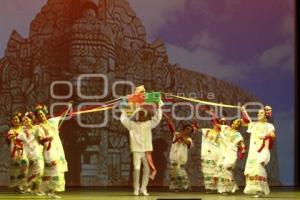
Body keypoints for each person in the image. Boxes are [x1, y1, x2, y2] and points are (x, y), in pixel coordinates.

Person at [120, 101, 163, 196]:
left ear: (146, 116)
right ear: (136, 115)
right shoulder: (131, 125)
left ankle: (143, 189)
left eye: (142, 114)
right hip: (136, 150)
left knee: (147, 170)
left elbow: (157, 118)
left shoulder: (148, 124)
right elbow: (123, 119)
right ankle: (136, 189)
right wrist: (123, 110)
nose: (140, 115)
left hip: (146, 151)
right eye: (139, 114)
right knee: (136, 169)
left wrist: (158, 107)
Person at [35, 104, 69, 199]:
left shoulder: (52, 121)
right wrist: (47, 138)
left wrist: (69, 105)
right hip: (48, 150)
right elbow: (40, 140)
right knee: (51, 171)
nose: (40, 116)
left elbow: (62, 114)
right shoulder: (39, 128)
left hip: (57, 149)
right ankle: (42, 190)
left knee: (57, 171)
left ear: (45, 113)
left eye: (41, 114)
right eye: (38, 115)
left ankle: (50, 192)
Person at [241, 107, 276, 198]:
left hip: (263, 148)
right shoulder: (254, 124)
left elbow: (273, 134)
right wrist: (243, 111)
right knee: (253, 168)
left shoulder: (269, 125)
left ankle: (260, 190)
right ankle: (257, 189)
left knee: (259, 166)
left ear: (266, 115)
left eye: (261, 113)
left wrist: (265, 135)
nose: (258, 114)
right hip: (253, 150)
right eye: (258, 113)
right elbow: (245, 122)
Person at [164, 114, 194, 191]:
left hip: (182, 158)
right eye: (187, 129)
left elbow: (188, 143)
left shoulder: (189, 139)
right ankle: (176, 187)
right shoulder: (176, 134)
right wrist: (168, 120)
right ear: (184, 129)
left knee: (181, 173)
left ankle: (185, 186)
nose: (188, 131)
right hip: (174, 156)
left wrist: (182, 138)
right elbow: (171, 129)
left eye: (190, 130)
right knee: (174, 173)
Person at [17, 112, 44, 195]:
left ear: (31, 120)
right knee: (27, 169)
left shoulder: (37, 128)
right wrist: (19, 146)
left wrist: (47, 139)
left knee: (39, 169)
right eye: (24, 120)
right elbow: (17, 141)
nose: (25, 121)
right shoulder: (22, 131)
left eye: (27, 119)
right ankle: (24, 187)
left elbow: (41, 139)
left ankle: (35, 188)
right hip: (26, 152)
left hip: (36, 151)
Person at [217, 119, 246, 195]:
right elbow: (216, 125)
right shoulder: (225, 128)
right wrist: (214, 116)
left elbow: (242, 144)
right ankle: (227, 188)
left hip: (232, 153)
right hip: (223, 151)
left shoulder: (238, 134)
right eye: (237, 121)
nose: (239, 123)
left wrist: (243, 151)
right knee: (224, 169)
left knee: (227, 166)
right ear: (232, 122)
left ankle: (228, 188)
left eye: (240, 123)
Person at [6, 112, 29, 193]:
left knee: (24, 166)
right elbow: (9, 138)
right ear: (12, 121)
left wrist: (19, 134)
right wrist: (15, 135)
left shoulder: (24, 129)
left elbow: (27, 138)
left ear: (20, 120)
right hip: (15, 150)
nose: (15, 120)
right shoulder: (11, 130)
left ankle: (23, 185)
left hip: (24, 150)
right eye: (14, 119)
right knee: (16, 168)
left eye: (17, 119)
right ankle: (18, 186)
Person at [200, 110, 222, 193]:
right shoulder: (208, 131)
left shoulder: (222, 133)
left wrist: (213, 114)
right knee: (207, 170)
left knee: (217, 170)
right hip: (208, 153)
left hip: (218, 153)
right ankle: (209, 187)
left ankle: (218, 187)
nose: (216, 124)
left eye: (219, 122)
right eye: (215, 122)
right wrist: (213, 115)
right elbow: (198, 130)